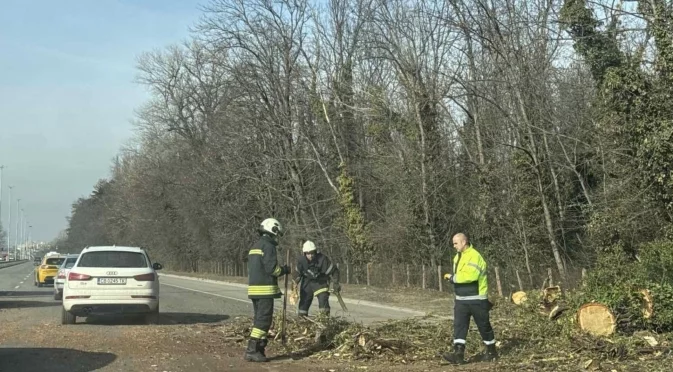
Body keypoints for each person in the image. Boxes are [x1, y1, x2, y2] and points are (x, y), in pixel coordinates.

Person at [442, 233, 497, 364]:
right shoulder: (457, 257)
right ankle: (458, 354)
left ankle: (491, 352)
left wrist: (452, 278)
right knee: (459, 326)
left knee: (483, 326)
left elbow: (470, 276)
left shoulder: (475, 256)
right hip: (461, 299)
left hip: (477, 299)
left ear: (464, 242)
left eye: (456, 243)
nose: (454, 246)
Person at [244, 218, 291, 363]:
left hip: (254, 290)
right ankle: (252, 350)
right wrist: (285, 270)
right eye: (277, 233)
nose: (277, 237)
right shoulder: (268, 246)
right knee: (264, 321)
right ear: (273, 230)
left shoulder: (255, 246)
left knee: (259, 319)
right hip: (265, 290)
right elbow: (273, 269)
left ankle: (260, 349)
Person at [293, 240, 341, 317]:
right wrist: (294, 284)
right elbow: (297, 274)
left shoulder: (322, 260)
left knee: (323, 301)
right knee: (304, 303)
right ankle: (302, 320)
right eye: (308, 253)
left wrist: (336, 283)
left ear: (315, 252)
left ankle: (324, 320)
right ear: (304, 253)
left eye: (312, 253)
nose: (310, 255)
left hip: (320, 282)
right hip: (307, 282)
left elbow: (334, 271)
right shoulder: (301, 262)